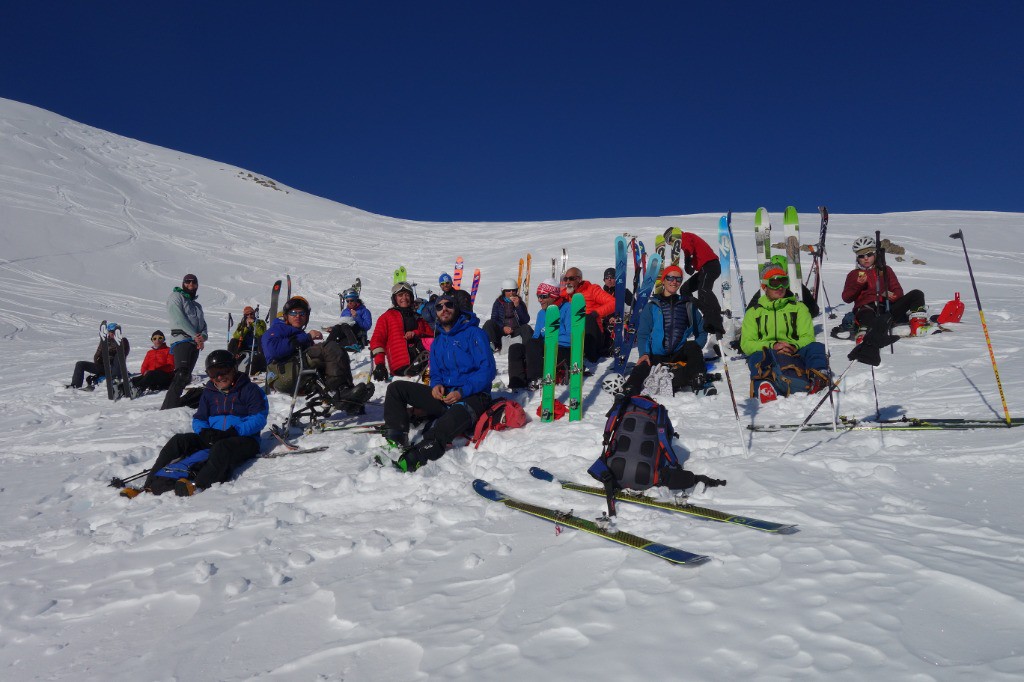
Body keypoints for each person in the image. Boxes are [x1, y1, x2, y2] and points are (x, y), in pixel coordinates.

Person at [381, 292, 496, 472]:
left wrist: (462, 392)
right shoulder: (438, 342)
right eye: (439, 307)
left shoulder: (475, 333)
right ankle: (396, 438)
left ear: (456, 308)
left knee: (446, 423)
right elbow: (436, 373)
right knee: (397, 388)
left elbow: (487, 370)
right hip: (446, 396)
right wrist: (436, 385)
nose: (444, 309)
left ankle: (419, 454)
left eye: (449, 305)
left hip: (473, 395)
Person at [134, 350, 268, 497]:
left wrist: (233, 432)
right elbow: (199, 418)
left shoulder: (249, 389)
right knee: (178, 440)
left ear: (234, 369)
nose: (219, 377)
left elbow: (259, 418)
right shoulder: (209, 392)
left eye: (224, 371)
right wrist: (204, 432)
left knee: (221, 447)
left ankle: (198, 484)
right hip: (215, 437)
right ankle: (150, 482)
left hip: (244, 439)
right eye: (214, 373)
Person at [619, 264, 713, 397]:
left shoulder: (688, 305)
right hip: (657, 354)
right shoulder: (652, 306)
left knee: (692, 346)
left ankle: (698, 377)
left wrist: (697, 347)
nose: (674, 282)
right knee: (643, 365)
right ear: (663, 280)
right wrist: (644, 353)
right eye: (670, 278)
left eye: (678, 279)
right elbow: (643, 333)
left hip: (679, 353)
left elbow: (702, 330)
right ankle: (630, 388)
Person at [740, 264, 829, 402]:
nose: (780, 287)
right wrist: (773, 345)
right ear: (765, 286)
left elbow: (807, 336)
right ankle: (764, 386)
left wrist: (793, 345)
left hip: (794, 350)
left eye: (783, 282)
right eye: (774, 283)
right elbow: (747, 343)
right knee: (757, 356)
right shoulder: (754, 312)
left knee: (815, 347)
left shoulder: (799, 308)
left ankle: (820, 377)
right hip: (768, 351)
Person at [262, 296, 362, 406]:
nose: (298, 316)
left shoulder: (298, 333)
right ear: (286, 316)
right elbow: (274, 350)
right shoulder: (278, 328)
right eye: (293, 313)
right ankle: (342, 391)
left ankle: (348, 394)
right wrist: (308, 337)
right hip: (282, 373)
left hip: (295, 370)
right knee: (329, 347)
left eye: (302, 314)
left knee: (336, 353)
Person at [842, 236, 927, 339]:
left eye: (869, 254)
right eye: (861, 256)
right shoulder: (854, 274)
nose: (865, 258)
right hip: (867, 309)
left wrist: (892, 295)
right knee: (866, 313)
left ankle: (918, 327)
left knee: (916, 294)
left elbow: (898, 290)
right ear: (857, 258)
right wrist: (858, 284)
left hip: (887, 309)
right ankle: (865, 336)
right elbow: (846, 298)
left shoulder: (885, 270)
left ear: (875, 254)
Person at [508, 279, 570, 389]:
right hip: (544, 349)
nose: (540, 300)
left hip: (562, 349)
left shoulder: (567, 308)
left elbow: (572, 337)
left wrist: (548, 341)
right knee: (515, 348)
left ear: (553, 296)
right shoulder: (541, 313)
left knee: (533, 344)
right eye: (538, 296)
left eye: (543, 296)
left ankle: (537, 379)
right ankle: (517, 384)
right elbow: (536, 336)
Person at [161, 274, 209, 410]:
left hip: (194, 343)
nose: (191, 284)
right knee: (181, 374)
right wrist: (196, 336)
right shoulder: (176, 297)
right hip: (182, 340)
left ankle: (176, 405)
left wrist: (202, 337)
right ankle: (168, 408)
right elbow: (179, 320)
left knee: (185, 376)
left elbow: (203, 326)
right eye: (187, 282)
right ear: (183, 283)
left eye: (194, 282)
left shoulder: (197, 306)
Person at [370, 281, 435, 380]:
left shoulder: (418, 317)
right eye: (400, 295)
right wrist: (380, 364)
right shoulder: (387, 317)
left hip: (423, 364)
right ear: (395, 299)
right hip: (401, 368)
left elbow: (431, 336)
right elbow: (377, 340)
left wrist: (416, 333)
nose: (404, 298)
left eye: (407, 295)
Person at [560, 267, 615, 360]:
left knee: (587, 318)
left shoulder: (592, 289)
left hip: (593, 334)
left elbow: (613, 303)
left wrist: (595, 313)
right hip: (574, 334)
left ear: (579, 279)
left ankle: (591, 355)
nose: (568, 282)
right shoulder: (566, 294)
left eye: (571, 279)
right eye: (566, 279)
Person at [68, 322, 130, 389]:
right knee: (80, 364)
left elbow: (123, 352)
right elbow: (97, 355)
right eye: (111, 331)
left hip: (115, 368)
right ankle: (75, 385)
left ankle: (115, 379)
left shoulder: (123, 341)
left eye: (115, 332)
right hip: (103, 367)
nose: (113, 333)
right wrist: (97, 367)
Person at [482, 278, 532, 352]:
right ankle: (490, 346)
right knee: (489, 323)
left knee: (526, 328)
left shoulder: (520, 303)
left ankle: (527, 349)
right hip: (502, 332)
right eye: (508, 291)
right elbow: (494, 319)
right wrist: (503, 328)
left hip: (516, 331)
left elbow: (525, 320)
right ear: (504, 292)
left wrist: (518, 306)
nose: (511, 293)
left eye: (513, 290)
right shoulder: (498, 303)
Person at [130, 330, 175, 394]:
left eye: (160, 338)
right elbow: (144, 366)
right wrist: (144, 372)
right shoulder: (150, 352)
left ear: (163, 339)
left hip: (165, 376)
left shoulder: (168, 350)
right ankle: (121, 389)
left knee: (151, 374)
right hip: (151, 375)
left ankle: (138, 389)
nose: (157, 340)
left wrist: (156, 370)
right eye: (155, 338)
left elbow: (171, 365)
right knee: (135, 379)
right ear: (152, 340)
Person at [677, 231, 721, 297]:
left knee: (704, 291)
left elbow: (688, 251)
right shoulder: (689, 237)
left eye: (669, 241)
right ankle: (691, 307)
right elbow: (695, 253)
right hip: (705, 267)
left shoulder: (684, 236)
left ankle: (712, 307)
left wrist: (687, 265)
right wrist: (692, 267)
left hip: (709, 266)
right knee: (685, 289)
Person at [228, 306, 267, 374]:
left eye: (251, 314)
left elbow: (262, 333)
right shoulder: (242, 324)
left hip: (258, 347)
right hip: (245, 346)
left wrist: (254, 323)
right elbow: (236, 335)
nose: (249, 316)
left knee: (262, 338)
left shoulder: (260, 322)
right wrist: (246, 327)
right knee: (233, 341)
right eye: (247, 315)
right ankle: (230, 360)